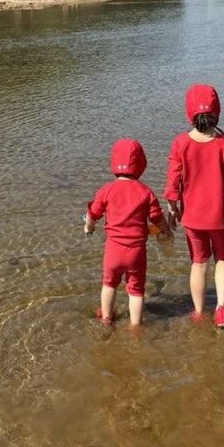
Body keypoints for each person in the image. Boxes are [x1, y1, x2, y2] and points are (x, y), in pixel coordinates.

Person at [164, 84, 224, 328]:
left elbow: (173, 181)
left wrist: (173, 208)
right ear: (217, 111)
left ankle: (199, 312)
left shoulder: (180, 144)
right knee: (223, 259)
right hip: (220, 217)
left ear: (188, 112)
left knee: (199, 264)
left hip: (192, 218)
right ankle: (221, 309)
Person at [85, 138, 171, 327]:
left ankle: (107, 318)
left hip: (113, 250)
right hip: (136, 252)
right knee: (136, 291)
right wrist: (166, 230)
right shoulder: (146, 192)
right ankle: (135, 327)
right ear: (142, 164)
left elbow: (93, 213)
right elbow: (157, 217)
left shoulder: (106, 190)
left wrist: (88, 227)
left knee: (109, 284)